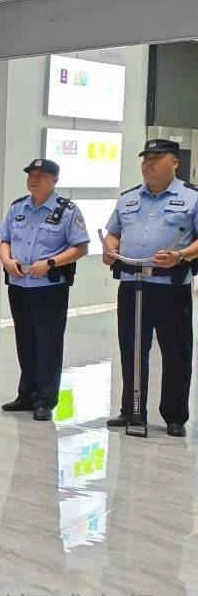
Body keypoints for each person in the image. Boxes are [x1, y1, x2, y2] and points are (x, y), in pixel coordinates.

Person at [102, 139, 198, 438]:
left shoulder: (192, 197)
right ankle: (132, 411)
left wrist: (181, 255)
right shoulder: (128, 198)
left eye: (157, 158)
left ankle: (174, 416)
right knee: (131, 350)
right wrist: (110, 249)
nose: (149, 163)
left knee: (175, 352)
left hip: (171, 287)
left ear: (175, 162)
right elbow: (114, 232)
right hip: (132, 284)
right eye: (146, 158)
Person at [0, 158, 89, 422]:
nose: (35, 180)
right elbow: (4, 240)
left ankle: (44, 400)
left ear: (55, 180)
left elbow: (81, 247)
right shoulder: (17, 207)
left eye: (42, 176)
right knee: (25, 341)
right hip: (19, 284)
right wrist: (6, 260)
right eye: (31, 175)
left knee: (48, 343)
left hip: (49, 287)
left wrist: (51, 262)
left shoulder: (67, 210)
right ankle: (26, 394)